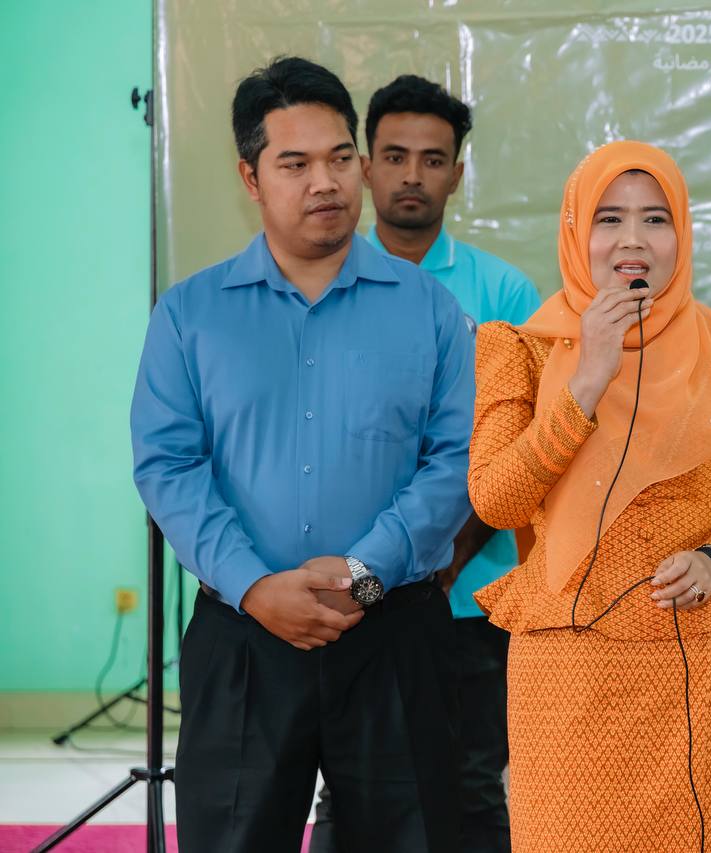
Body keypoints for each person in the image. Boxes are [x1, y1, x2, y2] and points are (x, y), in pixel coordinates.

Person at [130, 56, 474, 853]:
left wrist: (365, 573)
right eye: (295, 164)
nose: (325, 182)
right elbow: (168, 466)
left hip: (395, 633)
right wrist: (255, 587)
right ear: (250, 178)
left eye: (340, 157)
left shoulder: (430, 308)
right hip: (244, 638)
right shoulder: (190, 315)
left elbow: (456, 459)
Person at [467, 140, 711, 852]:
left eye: (655, 219)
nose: (632, 241)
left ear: (682, 232)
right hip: (568, 667)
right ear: (575, 231)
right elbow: (496, 501)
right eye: (609, 219)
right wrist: (586, 379)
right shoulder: (521, 349)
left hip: (699, 657)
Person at [309, 73, 540, 853]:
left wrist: (446, 558)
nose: (412, 174)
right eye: (395, 155)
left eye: (433, 159)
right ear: (364, 165)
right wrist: (365, 567)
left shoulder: (504, 292)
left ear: (457, 173)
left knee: (471, 785)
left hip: (468, 598)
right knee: (348, 789)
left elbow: (520, 449)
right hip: (345, 591)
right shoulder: (320, 278)